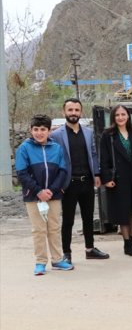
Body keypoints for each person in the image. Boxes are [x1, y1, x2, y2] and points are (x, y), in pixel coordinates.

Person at [50, 98, 109, 263]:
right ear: (64, 112)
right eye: (70, 110)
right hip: (68, 184)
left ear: (81, 112)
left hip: (87, 181)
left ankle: (90, 249)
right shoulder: (56, 135)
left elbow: (93, 154)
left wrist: (96, 174)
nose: (73, 113)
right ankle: (66, 253)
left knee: (88, 217)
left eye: (76, 110)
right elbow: (54, 160)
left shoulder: (88, 132)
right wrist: (58, 183)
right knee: (68, 220)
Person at [15, 114, 73, 275]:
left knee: (54, 227)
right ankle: (40, 262)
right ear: (30, 130)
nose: (39, 133)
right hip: (33, 196)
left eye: (43, 129)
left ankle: (57, 259)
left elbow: (62, 171)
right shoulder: (24, 148)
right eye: (36, 129)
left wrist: (52, 190)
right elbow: (22, 173)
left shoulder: (57, 148)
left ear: (49, 131)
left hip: (53, 195)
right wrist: (38, 191)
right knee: (39, 229)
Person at [100, 105, 132, 256]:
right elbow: (104, 159)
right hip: (118, 179)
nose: (120, 117)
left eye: (123, 114)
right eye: (117, 115)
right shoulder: (108, 135)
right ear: (113, 118)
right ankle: (127, 243)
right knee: (123, 211)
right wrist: (107, 178)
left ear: (128, 116)